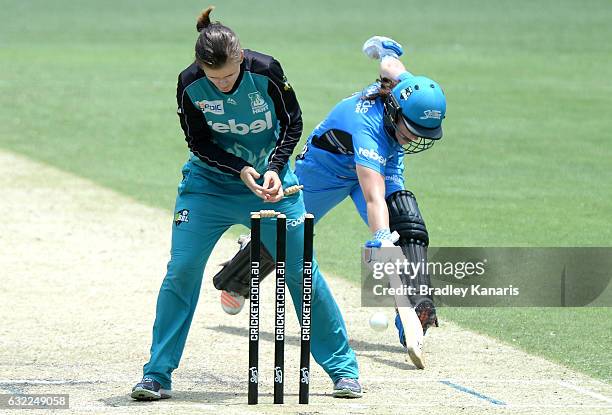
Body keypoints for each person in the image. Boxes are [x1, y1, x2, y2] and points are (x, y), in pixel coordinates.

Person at [131, 6, 361, 401]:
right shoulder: (189, 85)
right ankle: (157, 374)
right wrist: (240, 169)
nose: (221, 85)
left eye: (228, 77)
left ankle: (343, 371)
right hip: (209, 187)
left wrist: (273, 167)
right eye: (212, 78)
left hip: (274, 185)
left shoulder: (266, 72)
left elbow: (293, 122)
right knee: (181, 270)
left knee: (303, 272)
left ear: (240, 57)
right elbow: (198, 142)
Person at [213, 36, 447, 366]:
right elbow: (373, 196)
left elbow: (392, 65)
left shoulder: (406, 88)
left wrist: (385, 51)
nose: (415, 139)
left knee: (408, 225)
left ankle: (414, 313)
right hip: (326, 168)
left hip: (382, 159)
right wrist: (380, 238)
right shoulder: (365, 127)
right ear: (395, 112)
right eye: (411, 132)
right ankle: (237, 279)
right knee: (286, 232)